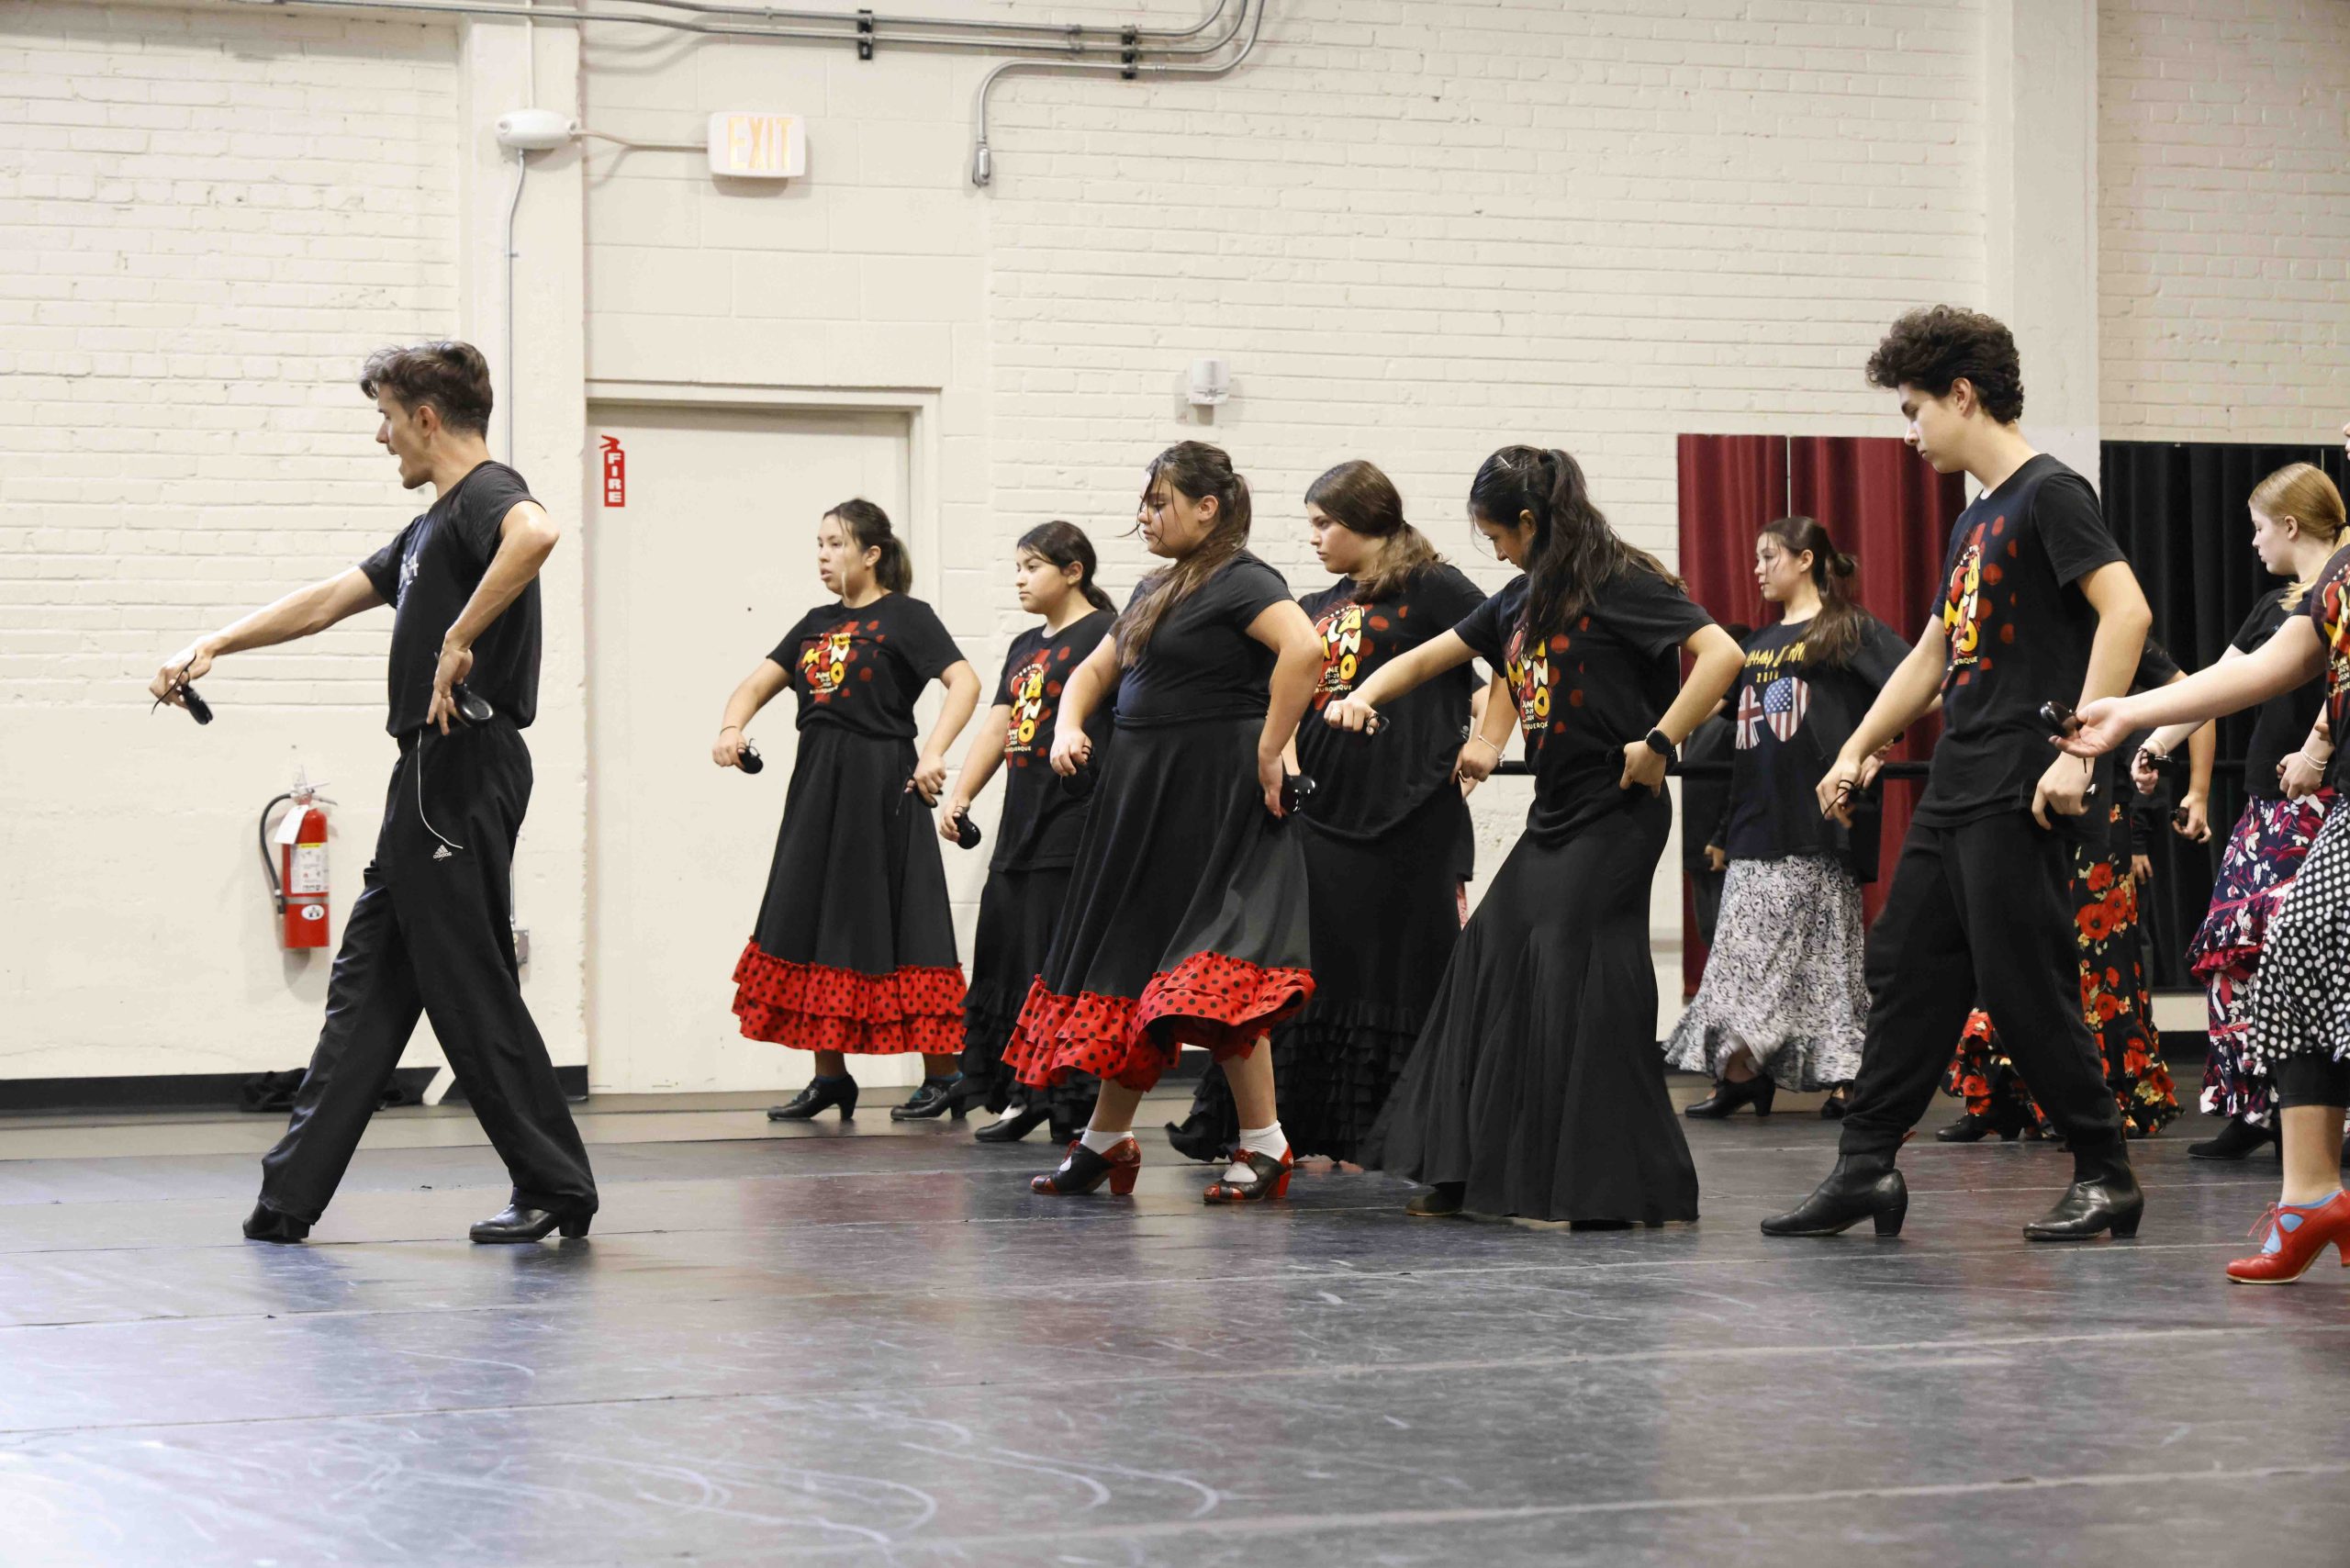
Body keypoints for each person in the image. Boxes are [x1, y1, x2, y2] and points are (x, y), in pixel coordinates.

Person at [151, 341, 598, 1245]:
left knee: (466, 984)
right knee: (370, 990)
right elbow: (325, 599)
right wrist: (215, 644)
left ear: (426, 418)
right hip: (425, 779)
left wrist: (460, 636)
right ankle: (288, 1199)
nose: (381, 435)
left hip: (462, 765)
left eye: (388, 417)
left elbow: (539, 534)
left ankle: (554, 1183)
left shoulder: (486, 496)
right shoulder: (428, 527)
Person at [1762, 306, 2152, 1244]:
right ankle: (1864, 1167)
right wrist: (1858, 746)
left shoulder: (2050, 494)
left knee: (2023, 986)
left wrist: (2076, 754)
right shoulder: (1976, 517)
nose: (1908, 432)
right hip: (1958, 781)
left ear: (1962, 395)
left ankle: (2106, 1173)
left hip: (2020, 781)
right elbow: (1934, 653)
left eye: (1913, 408)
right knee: (1907, 967)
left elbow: (2127, 613)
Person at [1329, 445, 1743, 1224]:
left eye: (1498, 536)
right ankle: (1464, 1168)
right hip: (1554, 816)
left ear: (1529, 520)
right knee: (1489, 957)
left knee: (1574, 971)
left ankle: (1610, 1185)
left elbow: (1721, 655)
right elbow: (1435, 657)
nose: (1497, 552)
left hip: (1616, 813)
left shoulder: (1621, 581)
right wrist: (1364, 693)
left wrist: (1660, 743)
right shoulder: (1521, 599)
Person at [2062, 433, 2350, 1282]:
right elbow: (2266, 668)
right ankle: (2309, 1199)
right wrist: (2129, 715)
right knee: (2293, 945)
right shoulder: (2335, 582)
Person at [1004, 442, 1325, 1204]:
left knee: (1212, 982)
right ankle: (1106, 1141)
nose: (1145, 517)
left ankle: (1265, 1144)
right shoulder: (1154, 588)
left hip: (1213, 803)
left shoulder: (1245, 580)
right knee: (1136, 974)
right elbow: (1091, 671)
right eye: (1144, 504)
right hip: (1143, 801)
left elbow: (1305, 650)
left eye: (1160, 503)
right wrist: (1068, 724)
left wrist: (1273, 748)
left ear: (1208, 508)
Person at [1162, 460, 1498, 1168]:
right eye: (1310, 523)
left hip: (1407, 813)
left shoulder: (1431, 586)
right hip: (1321, 812)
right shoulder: (1314, 600)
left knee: (1403, 973)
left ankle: (1400, 1135)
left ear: (1370, 521)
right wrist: (1275, 757)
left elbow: (1510, 647)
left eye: (1325, 523)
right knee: (1318, 974)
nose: (1313, 537)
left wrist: (1487, 738)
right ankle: (1306, 1130)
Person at [713, 501, 982, 1122]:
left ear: (872, 554)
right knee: (817, 914)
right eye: (819, 544)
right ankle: (830, 1075)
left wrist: (934, 753)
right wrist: (732, 726)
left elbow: (963, 682)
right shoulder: (814, 622)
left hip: (882, 782)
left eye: (835, 543)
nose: (823, 555)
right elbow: (754, 685)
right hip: (817, 784)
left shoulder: (906, 618)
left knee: (897, 916)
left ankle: (945, 1074)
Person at [1666, 518, 1908, 1121]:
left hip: (1821, 819)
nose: (1757, 569)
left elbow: (1920, 683)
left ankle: (1849, 1076)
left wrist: (1874, 747)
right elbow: (1713, 706)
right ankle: (1742, 1070)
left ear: (1805, 560)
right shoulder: (1757, 642)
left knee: (1826, 960)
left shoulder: (1847, 628)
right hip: (1755, 817)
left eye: (1768, 556)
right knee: (1740, 955)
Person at [1935, 644, 2206, 1142]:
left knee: (2091, 959)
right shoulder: (2016, 623)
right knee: (2010, 948)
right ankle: (2003, 1095)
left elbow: (2195, 697)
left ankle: (2093, 1098)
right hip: (2012, 801)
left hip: (2094, 815)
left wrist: (2198, 790)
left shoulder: (2107, 630)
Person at [2153, 464, 2343, 1160]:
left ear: (2291, 526)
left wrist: (2317, 750)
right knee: (2239, 955)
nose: (2256, 543)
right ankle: (2250, 1103)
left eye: (2261, 529)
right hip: (2269, 807)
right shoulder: (2274, 608)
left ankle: (2318, 1116)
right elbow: (2221, 682)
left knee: (2306, 954)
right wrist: (2156, 740)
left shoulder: (2336, 596)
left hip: (2321, 804)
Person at [938, 522, 1116, 1144]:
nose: (1020, 577)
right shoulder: (1022, 645)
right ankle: (1023, 1092)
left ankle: (1070, 1101)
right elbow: (996, 728)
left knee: (1055, 960)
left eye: (1033, 566)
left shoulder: (1105, 636)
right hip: (1020, 826)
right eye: (1017, 566)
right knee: (1008, 956)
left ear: (1074, 572)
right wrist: (961, 795)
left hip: (1073, 823)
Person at [1679, 622, 1749, 954]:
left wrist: (1721, 839)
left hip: (1723, 849)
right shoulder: (1697, 721)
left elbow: (1741, 784)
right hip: (1697, 848)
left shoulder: (1737, 722)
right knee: (1710, 935)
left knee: (1733, 941)